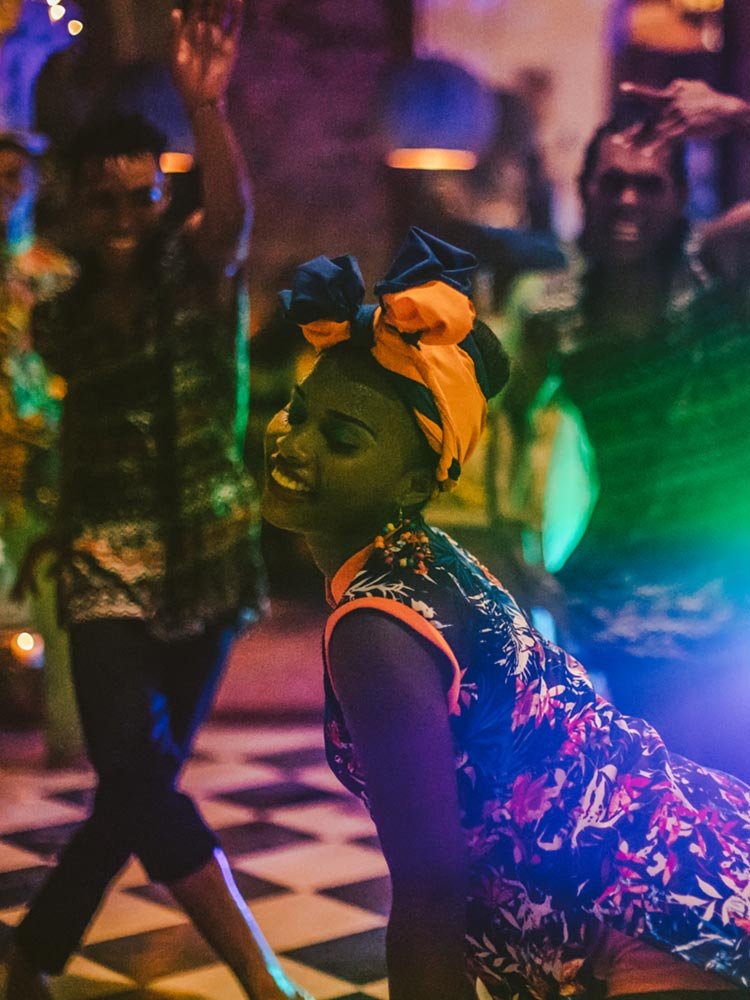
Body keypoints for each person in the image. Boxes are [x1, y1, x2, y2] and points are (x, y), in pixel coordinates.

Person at [261, 226, 750, 1000]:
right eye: (298, 411)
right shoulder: (430, 558)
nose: (293, 444)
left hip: (659, 922)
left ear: (412, 481)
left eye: (342, 439)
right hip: (688, 864)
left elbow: (429, 893)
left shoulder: (378, 625)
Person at [2, 4, 310, 999]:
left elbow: (230, 220)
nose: (127, 219)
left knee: (140, 788)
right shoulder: (60, 311)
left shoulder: (199, 278)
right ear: (80, 208)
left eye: (142, 198)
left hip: (210, 565)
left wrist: (204, 109)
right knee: (136, 775)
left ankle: (30, 957)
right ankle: (262, 978)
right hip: (100, 569)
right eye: (107, 204)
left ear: (159, 194)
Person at [496, 80, 750, 778]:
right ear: (587, 191)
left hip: (726, 591)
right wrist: (517, 545)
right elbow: (503, 420)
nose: (629, 200)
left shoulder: (722, 274)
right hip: (616, 593)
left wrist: (739, 120)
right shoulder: (555, 309)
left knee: (715, 797)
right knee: (661, 800)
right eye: (613, 183)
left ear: (679, 198)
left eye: (650, 184)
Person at [0, 128, 81, 763]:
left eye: (16, 175)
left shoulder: (54, 275)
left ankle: (68, 734)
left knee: (56, 594)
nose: (6, 187)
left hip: (38, 451)